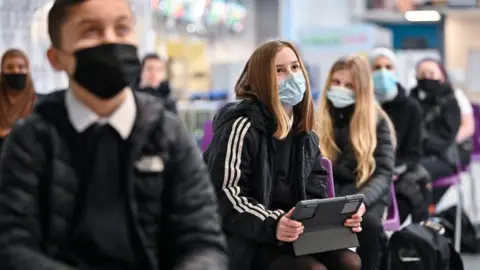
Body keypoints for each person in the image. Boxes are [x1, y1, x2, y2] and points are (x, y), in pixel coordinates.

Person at [0, 0, 227, 270]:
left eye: (122, 29)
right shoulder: (32, 139)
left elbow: (202, 240)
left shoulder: (169, 134)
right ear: (56, 58)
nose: (110, 40)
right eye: (91, 31)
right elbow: (13, 242)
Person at [204, 40, 363, 270]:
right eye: (279, 70)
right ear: (261, 78)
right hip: (249, 239)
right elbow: (226, 194)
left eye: (295, 67)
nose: (291, 76)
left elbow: (316, 192)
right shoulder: (240, 126)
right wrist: (274, 223)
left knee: (350, 262)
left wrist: (338, 219)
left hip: (295, 234)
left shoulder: (305, 134)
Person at [316, 55, 395, 270]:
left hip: (367, 193)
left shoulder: (377, 121)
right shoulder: (317, 119)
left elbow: (384, 172)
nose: (341, 89)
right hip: (330, 195)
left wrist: (362, 202)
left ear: (360, 89)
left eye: (349, 85)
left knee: (368, 225)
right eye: (336, 83)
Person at [369, 48, 427, 223]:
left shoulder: (411, 107)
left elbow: (413, 153)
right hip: (363, 173)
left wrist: (391, 170)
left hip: (396, 173)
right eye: (377, 67)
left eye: (388, 66)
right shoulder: (361, 106)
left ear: (395, 71)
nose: (383, 72)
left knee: (408, 196)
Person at [410, 59, 461, 203]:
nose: (427, 77)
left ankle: (424, 216)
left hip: (442, 158)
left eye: (431, 73)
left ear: (442, 77)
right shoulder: (412, 100)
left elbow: (445, 137)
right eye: (422, 74)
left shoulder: (450, 102)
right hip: (414, 157)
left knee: (414, 174)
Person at [0, 49, 36, 152]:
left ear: (27, 70)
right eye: (10, 67)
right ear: (2, 71)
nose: (16, 71)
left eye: (21, 67)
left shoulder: (38, 103)